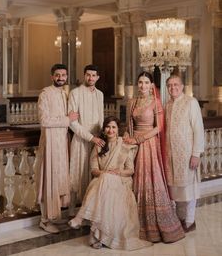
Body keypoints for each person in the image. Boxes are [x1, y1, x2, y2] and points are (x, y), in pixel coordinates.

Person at [69, 116, 152, 250]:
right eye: (108, 127)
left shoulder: (124, 145)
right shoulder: (99, 145)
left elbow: (130, 170)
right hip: (101, 180)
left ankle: (83, 221)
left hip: (121, 181)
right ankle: (97, 234)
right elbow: (94, 170)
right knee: (104, 180)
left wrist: (117, 173)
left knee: (106, 180)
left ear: (118, 129)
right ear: (104, 129)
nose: (110, 130)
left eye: (114, 127)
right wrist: (106, 174)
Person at [124, 71, 185, 243]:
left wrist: (141, 138)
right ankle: (132, 219)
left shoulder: (156, 102)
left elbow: (159, 127)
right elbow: (128, 124)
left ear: (152, 86)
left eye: (146, 82)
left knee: (150, 179)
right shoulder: (132, 101)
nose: (143, 86)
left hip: (148, 144)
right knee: (133, 178)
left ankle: (154, 222)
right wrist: (127, 137)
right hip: (133, 145)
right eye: (140, 82)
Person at [36, 63, 78, 233]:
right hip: (50, 144)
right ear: (52, 76)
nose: (61, 78)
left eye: (64, 75)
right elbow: (44, 120)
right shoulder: (45, 94)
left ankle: (55, 216)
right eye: (58, 75)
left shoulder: (64, 94)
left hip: (62, 142)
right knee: (49, 180)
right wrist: (67, 119)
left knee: (60, 179)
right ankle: (45, 220)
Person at [165, 74, 204, 233]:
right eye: (170, 85)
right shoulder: (167, 104)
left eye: (176, 85)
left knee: (189, 189)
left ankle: (189, 221)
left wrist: (196, 153)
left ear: (182, 86)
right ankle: (180, 219)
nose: (173, 88)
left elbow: (198, 129)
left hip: (187, 154)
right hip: (171, 155)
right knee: (176, 190)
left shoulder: (191, 102)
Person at [68, 64, 105, 215]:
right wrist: (90, 137)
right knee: (77, 173)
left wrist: (101, 137)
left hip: (97, 141)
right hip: (81, 140)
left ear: (97, 77)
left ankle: (88, 210)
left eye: (93, 75)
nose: (90, 78)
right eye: (88, 75)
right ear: (84, 75)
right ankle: (71, 210)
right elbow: (72, 122)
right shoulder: (75, 93)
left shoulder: (100, 94)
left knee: (93, 174)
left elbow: (101, 117)